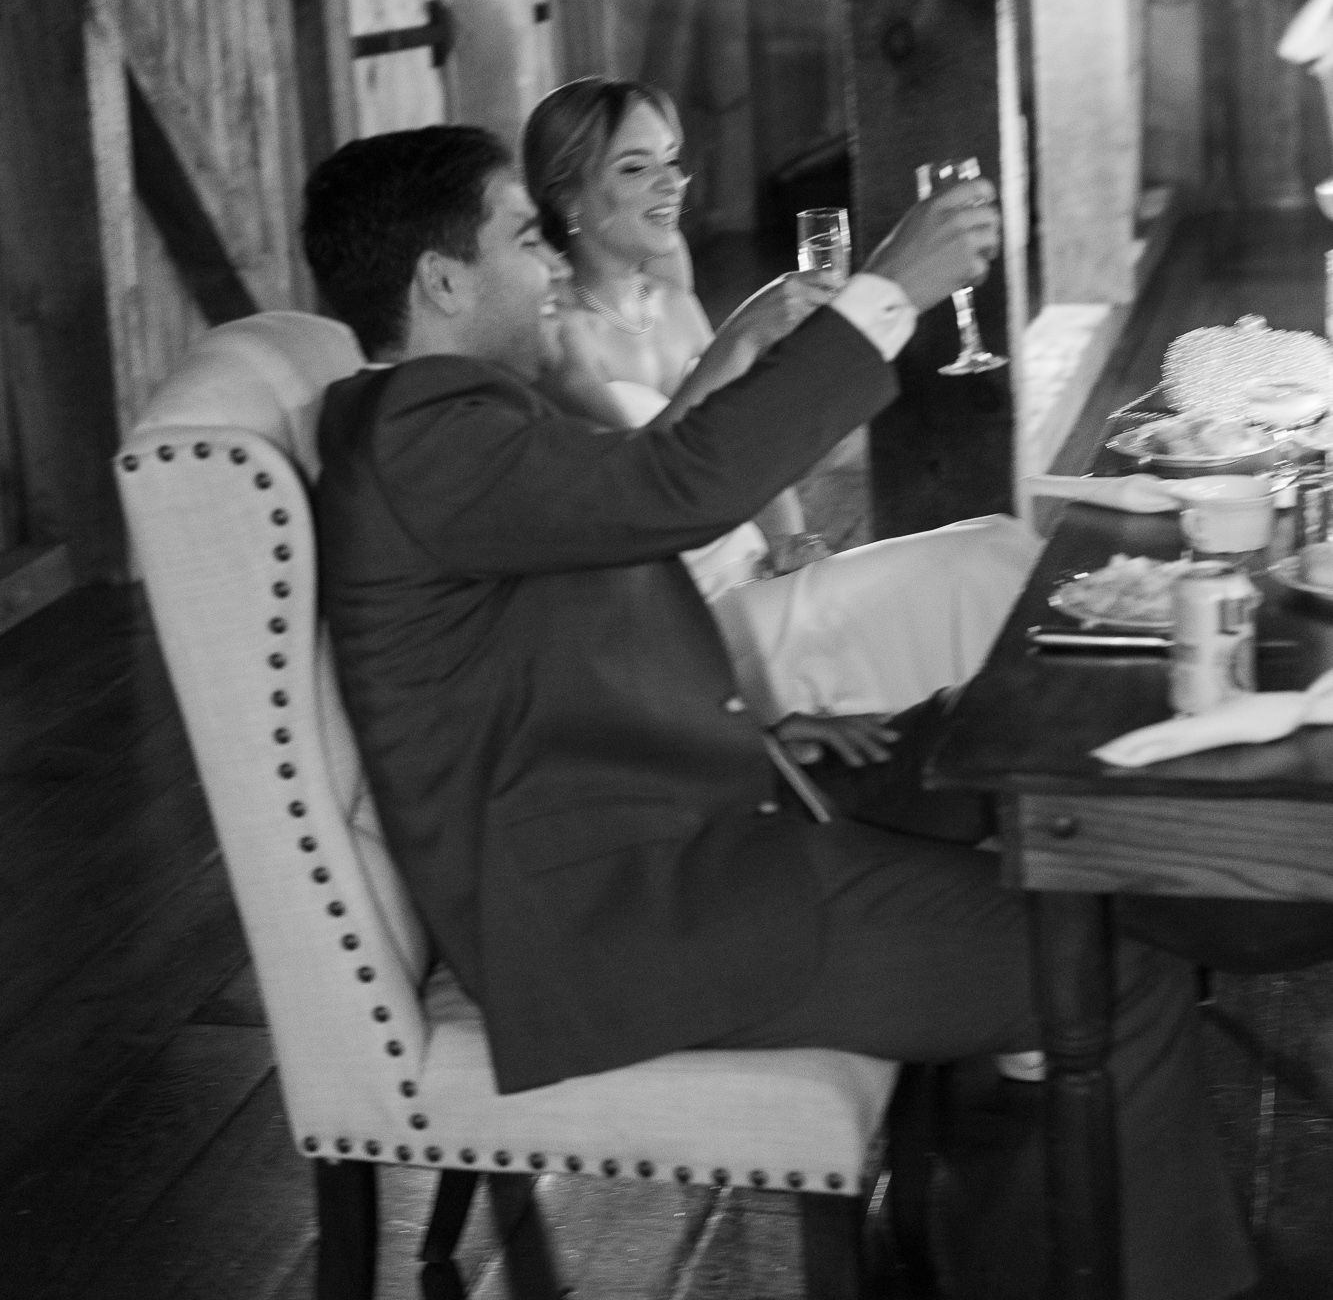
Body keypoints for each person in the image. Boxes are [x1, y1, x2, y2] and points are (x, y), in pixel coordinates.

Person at [305, 124, 1254, 1300]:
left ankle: (998, 1233)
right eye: (524, 235)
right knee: (1106, 956)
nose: (553, 261)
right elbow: (677, 487)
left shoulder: (450, 419)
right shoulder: (424, 430)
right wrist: (887, 289)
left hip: (653, 835)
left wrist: (754, 732)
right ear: (442, 280)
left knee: (982, 764)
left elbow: (532, 650)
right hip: (625, 918)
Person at [521, 77, 1041, 733]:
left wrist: (789, 537)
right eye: (635, 167)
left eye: (672, 160)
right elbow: (645, 481)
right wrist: (739, 340)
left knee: (995, 541)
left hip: (752, 566)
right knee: (982, 567)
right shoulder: (561, 336)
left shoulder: (670, 298)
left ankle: (1009, 754)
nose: (669, 183)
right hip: (687, 621)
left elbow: (738, 439)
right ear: (567, 192)